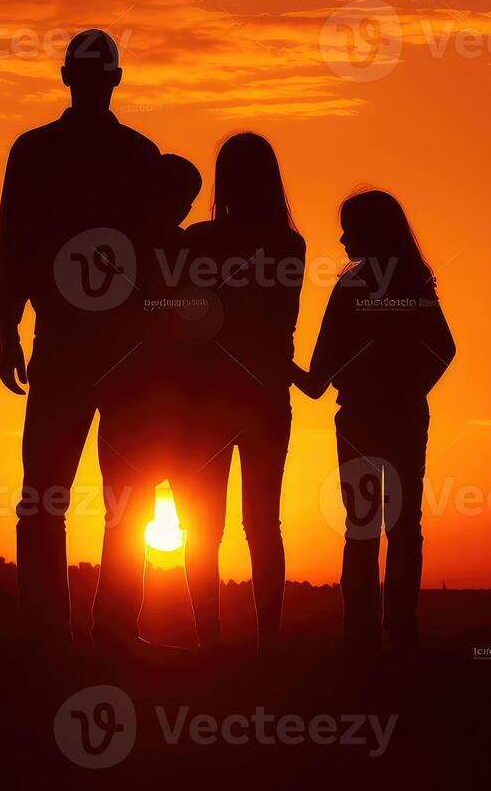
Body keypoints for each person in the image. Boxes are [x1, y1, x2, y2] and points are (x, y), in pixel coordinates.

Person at [0, 29, 159, 652]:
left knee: (104, 496)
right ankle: (70, 632)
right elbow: (15, 246)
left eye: (94, 74)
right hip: (88, 347)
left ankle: (89, 631)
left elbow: (16, 247)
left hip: (105, 348)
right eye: (88, 75)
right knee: (60, 497)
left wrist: (9, 329)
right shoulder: (126, 155)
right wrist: (8, 330)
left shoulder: (55, 152)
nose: (90, 84)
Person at [291, 189, 456, 654]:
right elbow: (444, 350)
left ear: (372, 232)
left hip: (360, 420)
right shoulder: (416, 287)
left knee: (361, 528)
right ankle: (400, 633)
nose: (342, 237)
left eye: (350, 228)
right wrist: (409, 389)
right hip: (403, 419)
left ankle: (359, 636)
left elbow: (317, 380)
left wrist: (275, 363)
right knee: (405, 527)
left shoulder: (349, 290)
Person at [176, 133, 305, 654]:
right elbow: (284, 321)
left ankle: (209, 642)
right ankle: (268, 642)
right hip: (267, 395)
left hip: (205, 399)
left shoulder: (197, 241)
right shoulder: (289, 245)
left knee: (204, 527)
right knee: (263, 524)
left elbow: (186, 317)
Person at [92, 153, 203, 653]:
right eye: (176, 201)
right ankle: (117, 628)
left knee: (139, 520)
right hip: (143, 401)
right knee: (129, 520)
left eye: (185, 204)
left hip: (159, 402)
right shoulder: (129, 248)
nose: (179, 211)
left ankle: (124, 629)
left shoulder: (137, 246)